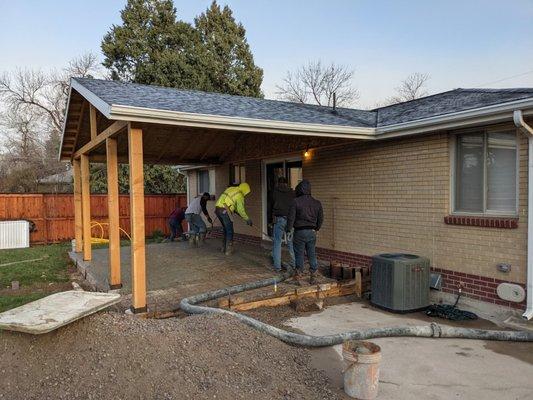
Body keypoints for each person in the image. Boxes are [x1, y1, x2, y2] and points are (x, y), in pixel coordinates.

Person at [287, 179, 323, 285]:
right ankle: (313, 276)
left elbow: (291, 218)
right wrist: (317, 228)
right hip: (311, 232)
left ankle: (298, 276)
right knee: (312, 253)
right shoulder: (317, 203)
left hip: (299, 232)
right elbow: (321, 218)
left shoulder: (296, 201)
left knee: (299, 254)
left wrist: (288, 230)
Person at [215, 182, 253, 255]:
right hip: (225, 211)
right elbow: (241, 210)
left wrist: (234, 210)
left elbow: (228, 201)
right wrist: (247, 219)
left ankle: (223, 248)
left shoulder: (231, 189)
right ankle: (229, 250)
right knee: (230, 231)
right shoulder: (240, 195)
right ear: (245, 190)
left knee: (226, 229)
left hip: (217, 209)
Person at [269, 176, 295, 272]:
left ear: (278, 183)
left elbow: (270, 206)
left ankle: (277, 267)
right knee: (291, 242)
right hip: (290, 220)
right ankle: (294, 264)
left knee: (277, 242)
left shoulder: (274, 192)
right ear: (287, 183)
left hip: (279, 220)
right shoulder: (292, 193)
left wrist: (270, 221)